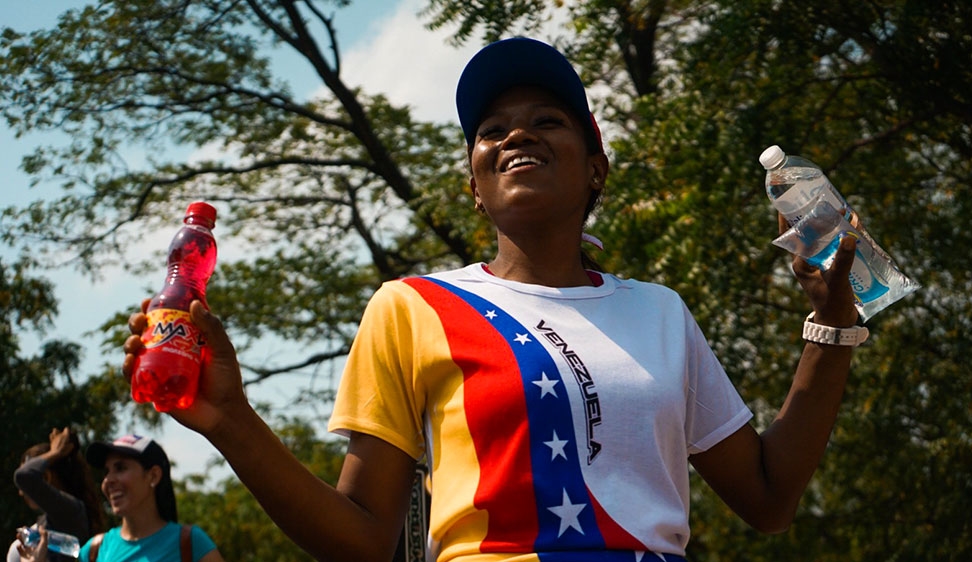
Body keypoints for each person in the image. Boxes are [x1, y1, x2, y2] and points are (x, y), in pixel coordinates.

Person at [122, 37, 866, 561]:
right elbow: (360, 538)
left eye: (547, 121)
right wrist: (232, 422)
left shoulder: (661, 313)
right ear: (474, 187)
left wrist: (831, 326)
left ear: (596, 168)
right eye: (492, 129)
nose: (517, 134)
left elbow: (768, 501)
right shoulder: (411, 308)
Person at [78, 435, 225, 562]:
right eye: (107, 471)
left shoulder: (191, 543)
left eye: (121, 468)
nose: (108, 480)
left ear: (153, 476)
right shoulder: (94, 551)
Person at [9, 427, 106, 562]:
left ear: (46, 477)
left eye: (23, 488)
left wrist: (55, 452)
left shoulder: (70, 511)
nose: (20, 492)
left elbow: (24, 476)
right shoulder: (50, 519)